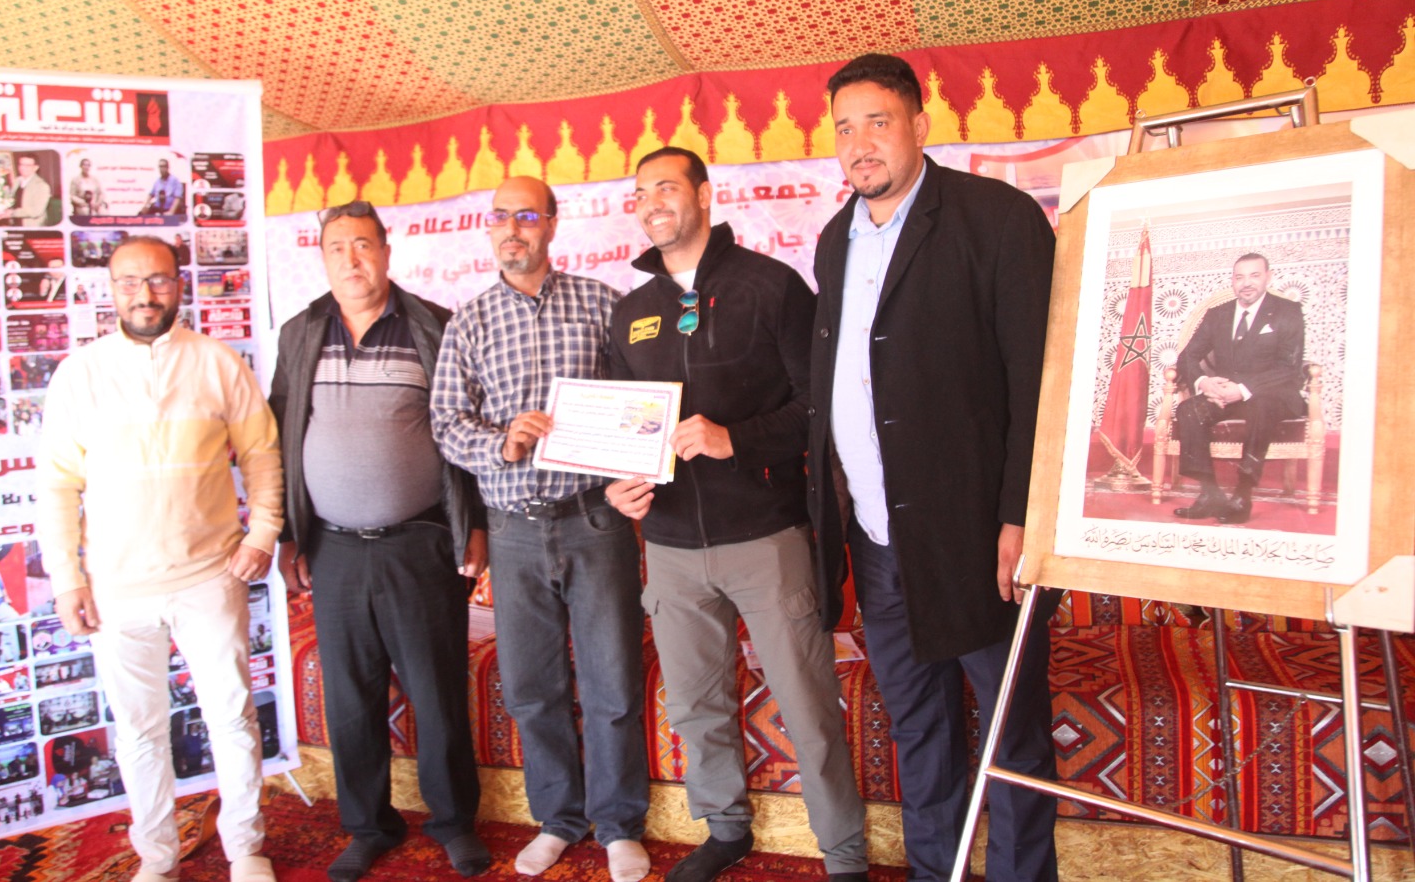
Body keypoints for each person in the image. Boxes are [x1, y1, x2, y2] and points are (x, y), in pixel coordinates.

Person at [806, 53, 1059, 882]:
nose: (860, 144)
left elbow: (1039, 382)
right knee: (919, 728)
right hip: (882, 542)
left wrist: (1021, 516)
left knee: (1011, 735)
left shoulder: (997, 219)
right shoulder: (835, 240)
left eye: (877, 122)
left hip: (980, 540)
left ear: (919, 125)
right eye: (845, 128)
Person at [604, 148, 868, 882]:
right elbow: (624, 430)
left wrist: (735, 440)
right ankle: (725, 829)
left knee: (808, 708)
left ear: (704, 195)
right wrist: (618, 486)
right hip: (670, 548)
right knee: (696, 706)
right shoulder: (630, 313)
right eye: (640, 193)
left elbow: (820, 408)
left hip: (766, 538)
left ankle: (844, 854)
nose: (652, 203)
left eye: (666, 187)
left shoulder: (771, 287)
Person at [36, 235, 282, 882]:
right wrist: (66, 580)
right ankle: (157, 857)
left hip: (210, 576)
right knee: (139, 730)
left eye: (159, 281)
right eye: (129, 282)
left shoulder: (218, 363)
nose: (144, 295)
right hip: (116, 588)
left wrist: (262, 534)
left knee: (231, 717)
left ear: (180, 283)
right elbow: (57, 485)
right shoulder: (80, 374)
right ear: (110, 290)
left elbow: (261, 453)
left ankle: (246, 849)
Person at [430, 177, 649, 882]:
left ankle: (618, 824)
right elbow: (445, 424)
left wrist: (628, 467)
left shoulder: (602, 304)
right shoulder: (469, 323)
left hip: (594, 519)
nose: (512, 228)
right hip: (513, 530)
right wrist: (502, 441)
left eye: (526, 215)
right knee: (532, 687)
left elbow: (639, 404)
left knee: (612, 680)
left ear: (552, 224)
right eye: (500, 216)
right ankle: (558, 818)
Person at [270, 201, 491, 882]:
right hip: (332, 549)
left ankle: (454, 823)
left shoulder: (434, 326)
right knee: (350, 697)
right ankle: (368, 827)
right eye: (337, 247)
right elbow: (280, 432)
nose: (352, 259)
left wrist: (475, 524)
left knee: (436, 690)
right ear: (323, 258)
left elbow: (468, 427)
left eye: (363, 244)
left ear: (387, 253)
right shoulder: (301, 331)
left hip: (418, 543)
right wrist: (288, 535)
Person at [1172, 253, 1306, 524]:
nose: (1246, 283)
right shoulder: (1217, 315)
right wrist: (1204, 383)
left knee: (1260, 407)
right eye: (1239, 277)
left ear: (1268, 277)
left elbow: (1289, 368)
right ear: (1232, 281)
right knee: (1188, 409)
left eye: (1254, 275)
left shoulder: (1288, 311)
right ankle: (1210, 494)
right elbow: (1187, 357)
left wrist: (1243, 389)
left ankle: (1242, 495)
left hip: (1272, 395)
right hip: (1225, 394)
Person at [6, 154, 53, 227]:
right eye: (21, 164)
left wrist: (12, 213)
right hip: (15, 224)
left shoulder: (41, 185)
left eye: (27, 165)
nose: (22, 168)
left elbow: (36, 211)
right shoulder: (16, 181)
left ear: (36, 167)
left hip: (32, 226)